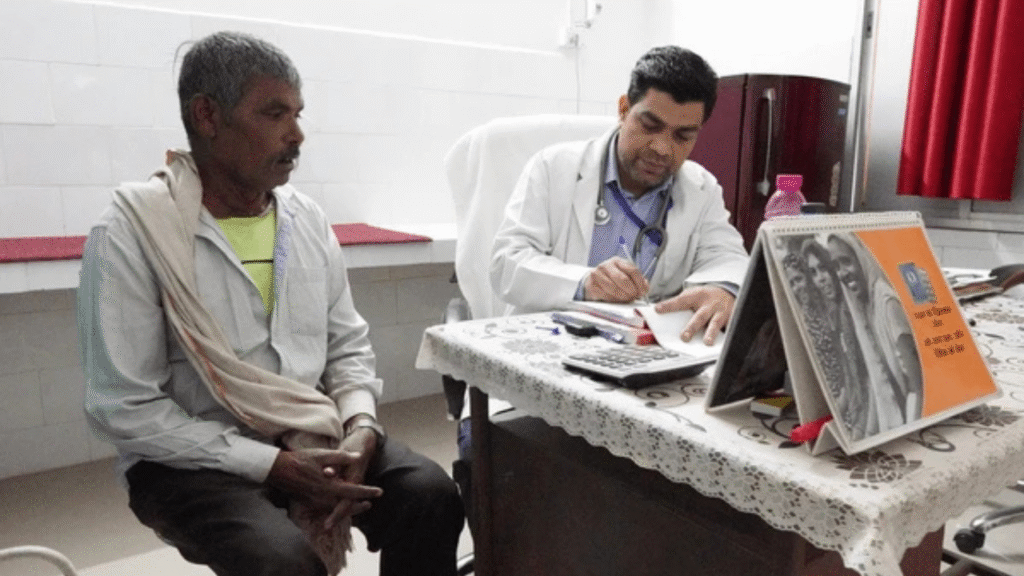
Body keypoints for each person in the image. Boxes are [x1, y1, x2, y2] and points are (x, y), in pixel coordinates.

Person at [76, 31, 463, 576]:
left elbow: (347, 348)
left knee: (430, 495)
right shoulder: (133, 231)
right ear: (208, 116)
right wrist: (271, 464)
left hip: (314, 431)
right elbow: (123, 407)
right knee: (282, 563)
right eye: (274, 114)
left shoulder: (306, 221)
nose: (296, 134)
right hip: (188, 459)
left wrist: (361, 428)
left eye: (298, 115)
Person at [489, 46, 749, 346]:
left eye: (683, 136)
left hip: (645, 353)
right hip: (551, 342)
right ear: (624, 109)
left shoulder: (701, 188)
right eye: (650, 126)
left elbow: (727, 257)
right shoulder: (553, 168)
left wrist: (723, 289)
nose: (662, 148)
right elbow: (506, 263)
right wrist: (585, 282)